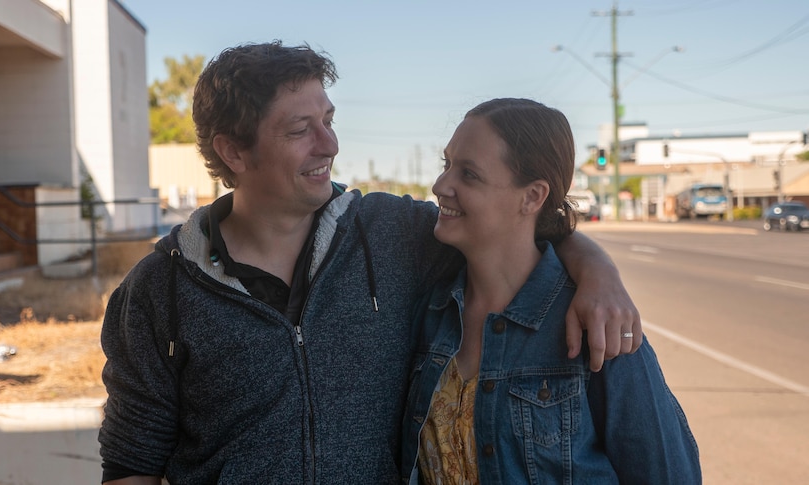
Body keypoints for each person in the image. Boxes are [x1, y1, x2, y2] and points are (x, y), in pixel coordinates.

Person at [98, 42, 642, 484]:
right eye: (299, 130)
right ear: (234, 152)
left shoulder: (391, 233)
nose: (329, 144)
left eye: (328, 120)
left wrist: (596, 269)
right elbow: (131, 465)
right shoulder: (159, 291)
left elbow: (510, 225)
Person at [400, 98, 701, 484]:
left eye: (469, 174)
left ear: (532, 197)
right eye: (447, 165)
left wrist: (597, 270)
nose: (441, 185)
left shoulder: (599, 323)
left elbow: (668, 474)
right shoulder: (431, 312)